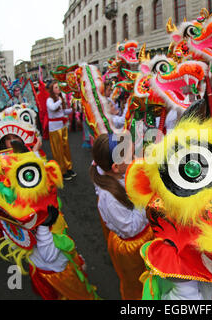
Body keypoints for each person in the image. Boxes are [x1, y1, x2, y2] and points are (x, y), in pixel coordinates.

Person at [90, 133, 153, 300]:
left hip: (138, 234)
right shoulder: (108, 199)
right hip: (133, 244)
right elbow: (131, 228)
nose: (135, 158)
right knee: (137, 283)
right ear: (116, 167)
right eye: (131, 156)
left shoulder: (112, 170)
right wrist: (143, 194)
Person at [47, 81, 76, 181]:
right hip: (54, 129)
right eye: (56, 87)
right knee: (58, 151)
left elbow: (63, 112)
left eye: (58, 87)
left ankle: (68, 168)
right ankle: (62, 171)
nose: (58, 89)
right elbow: (52, 107)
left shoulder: (59, 99)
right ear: (52, 90)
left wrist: (73, 109)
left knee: (65, 149)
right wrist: (59, 100)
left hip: (62, 127)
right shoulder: (49, 100)